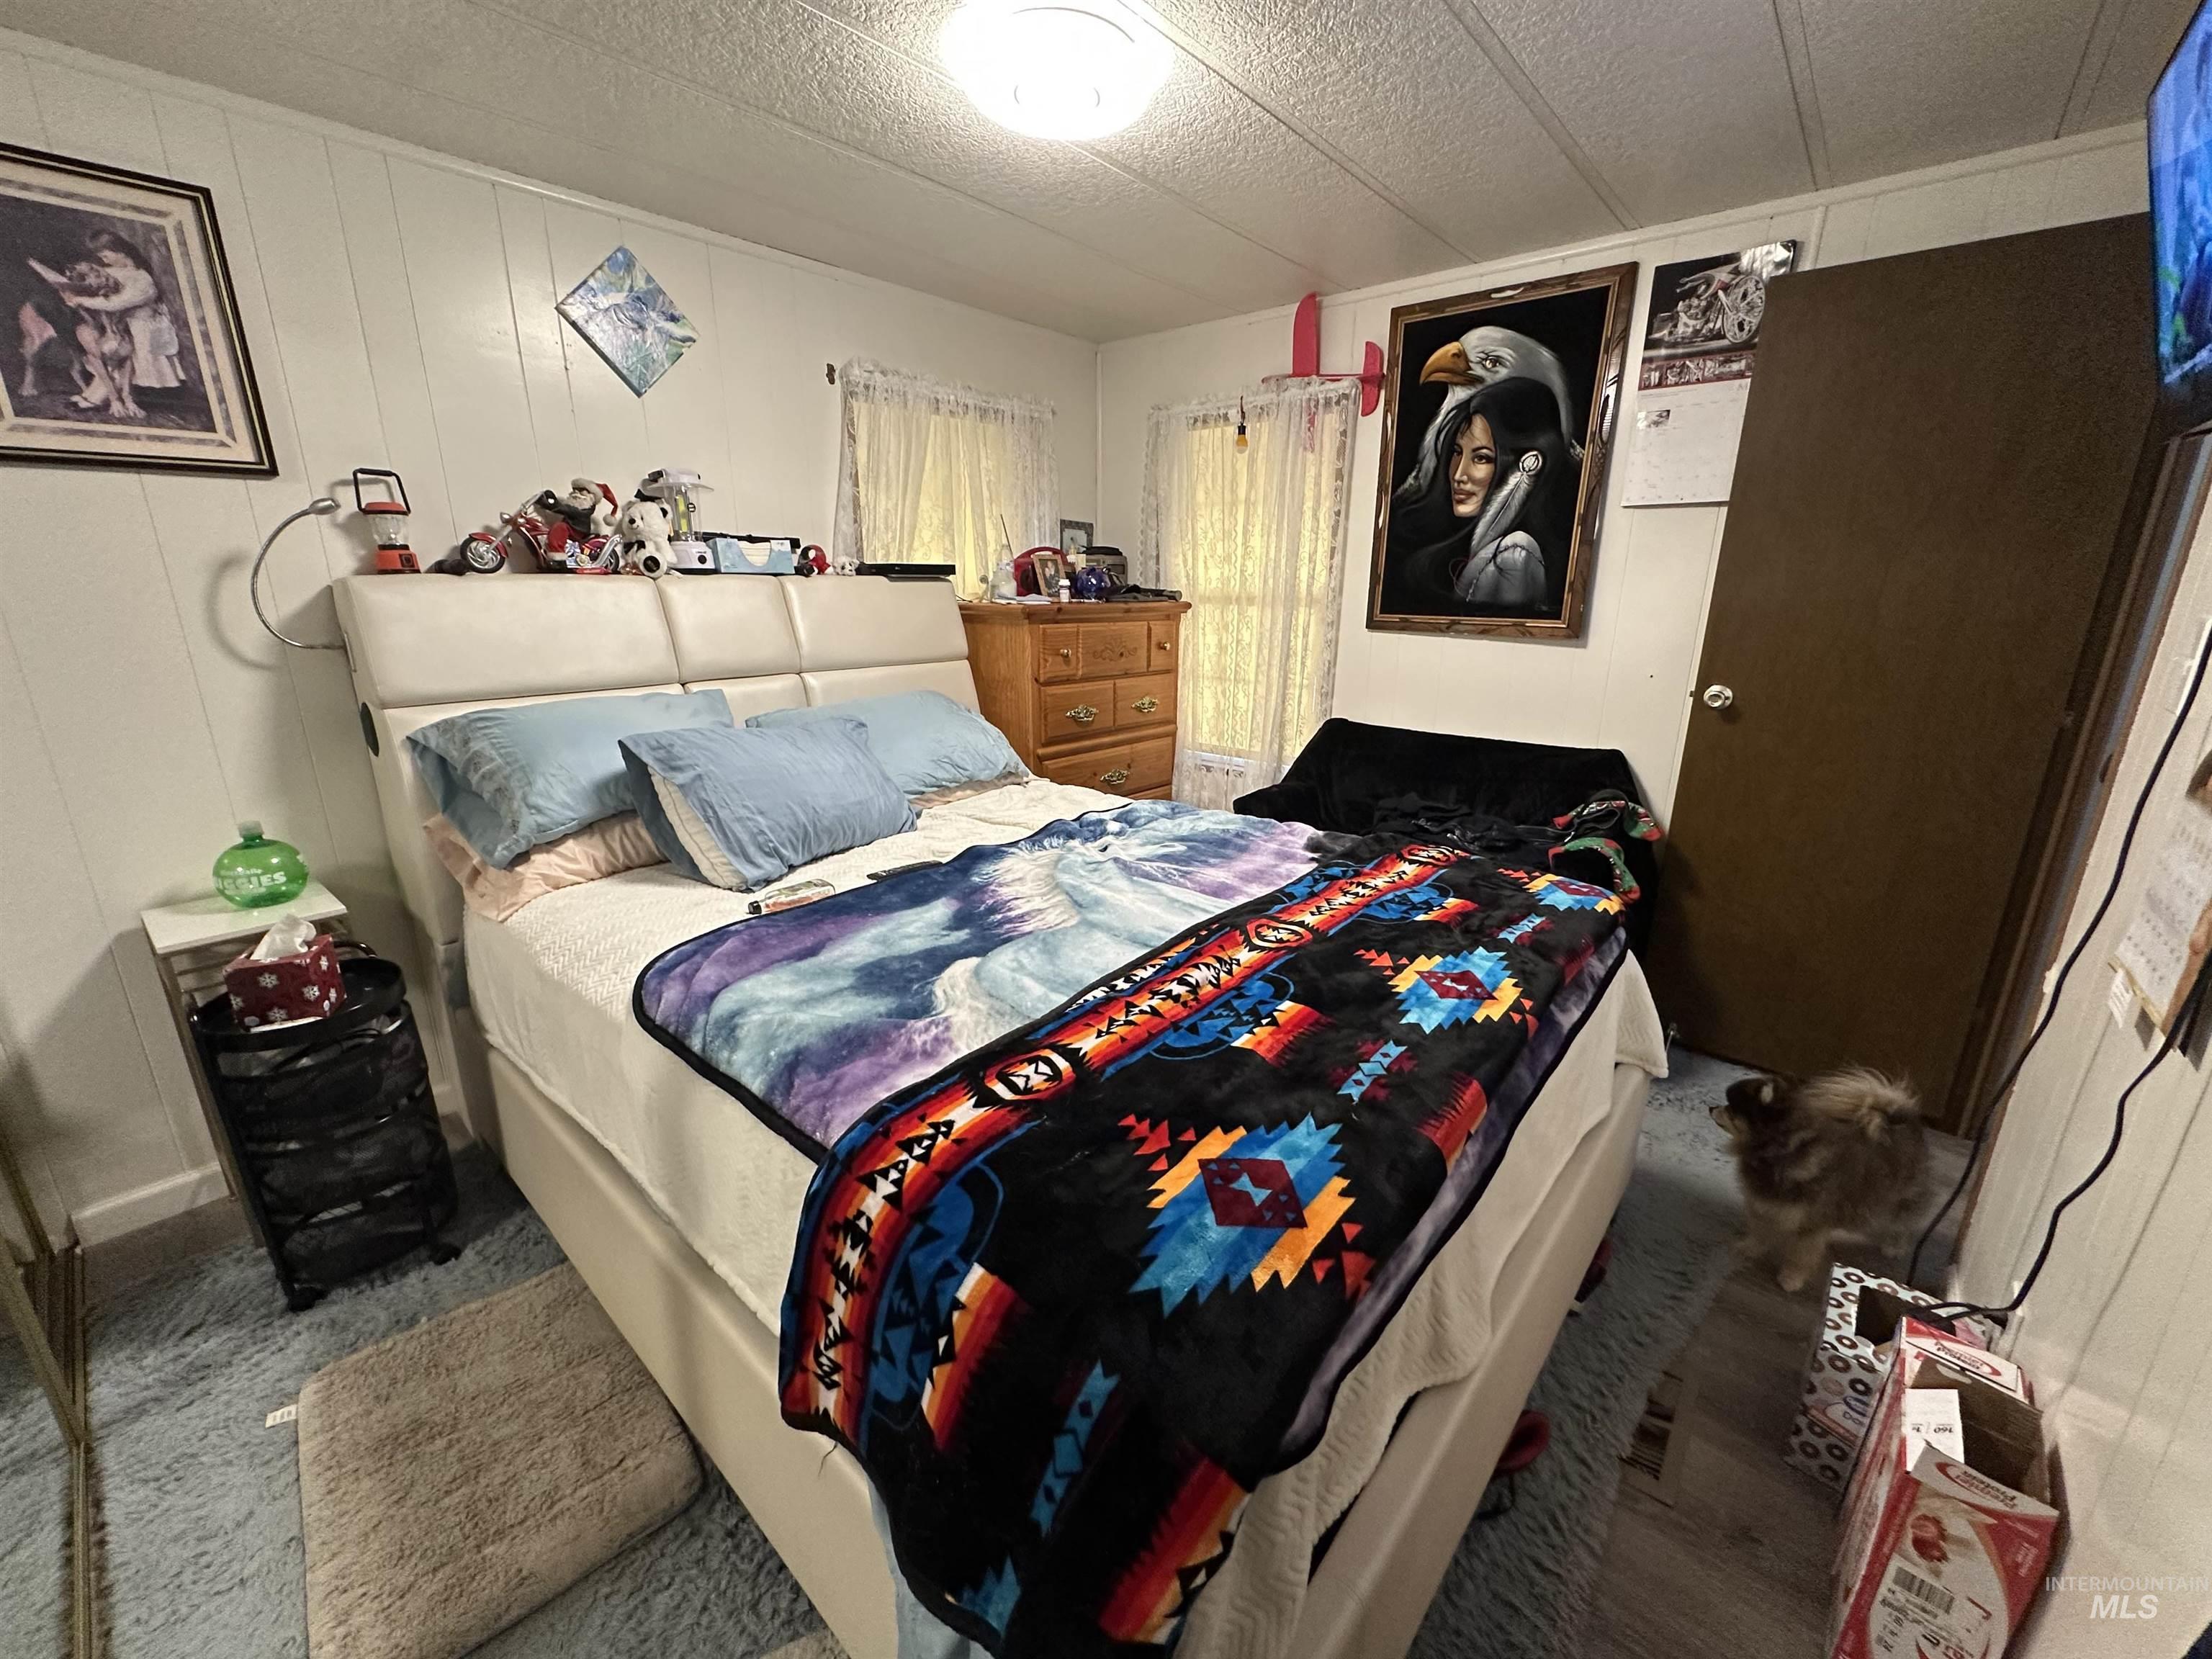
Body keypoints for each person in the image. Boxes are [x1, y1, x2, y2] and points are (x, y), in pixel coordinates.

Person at [1381, 376, 1576, 618]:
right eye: (1456, 452)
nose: (1458, 475)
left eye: (1481, 458)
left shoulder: (1515, 555)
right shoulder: (1429, 545)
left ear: (1527, 464)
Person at [47, 229, 184, 418]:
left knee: (121, 354)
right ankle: (93, 393)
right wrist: (71, 284)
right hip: (122, 325)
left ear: (120, 251)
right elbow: (94, 279)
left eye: (105, 255)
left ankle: (102, 397)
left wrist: (81, 300)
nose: (103, 261)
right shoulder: (116, 271)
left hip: (142, 327)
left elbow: (116, 303)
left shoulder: (143, 279)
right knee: (110, 348)